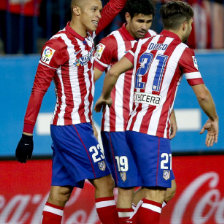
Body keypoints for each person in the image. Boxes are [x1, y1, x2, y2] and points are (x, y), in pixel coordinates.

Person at [94, 1, 219, 223]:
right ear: (186, 26)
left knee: (162, 188)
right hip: (148, 130)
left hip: (132, 125)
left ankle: (128, 216)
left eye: (148, 20)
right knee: (156, 191)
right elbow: (202, 94)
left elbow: (115, 73)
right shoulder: (182, 51)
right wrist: (214, 118)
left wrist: (104, 96)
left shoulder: (145, 43)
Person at [15, 0, 127, 223]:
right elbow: (38, 89)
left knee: (60, 193)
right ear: (76, 10)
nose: (98, 15)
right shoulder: (57, 45)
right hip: (71, 126)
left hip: (79, 125)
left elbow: (112, 8)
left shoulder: (88, 34)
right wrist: (27, 134)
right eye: (94, 10)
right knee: (104, 182)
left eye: (99, 10)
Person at [94, 0, 176, 222]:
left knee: (167, 188)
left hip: (147, 125)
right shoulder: (110, 43)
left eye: (149, 21)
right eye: (140, 21)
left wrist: (170, 114)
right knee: (126, 188)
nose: (144, 26)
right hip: (118, 125)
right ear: (127, 17)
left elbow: (163, 81)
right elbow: (89, 78)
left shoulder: (154, 40)